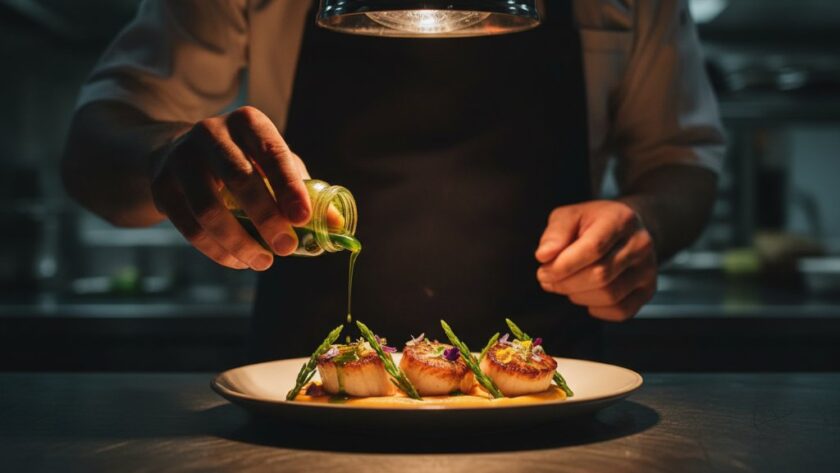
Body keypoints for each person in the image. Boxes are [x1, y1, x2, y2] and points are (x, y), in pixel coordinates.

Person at [62, 0, 724, 360]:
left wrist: (648, 222)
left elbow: (683, 164)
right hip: (300, 408)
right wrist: (166, 160)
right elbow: (92, 151)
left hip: (553, 398)